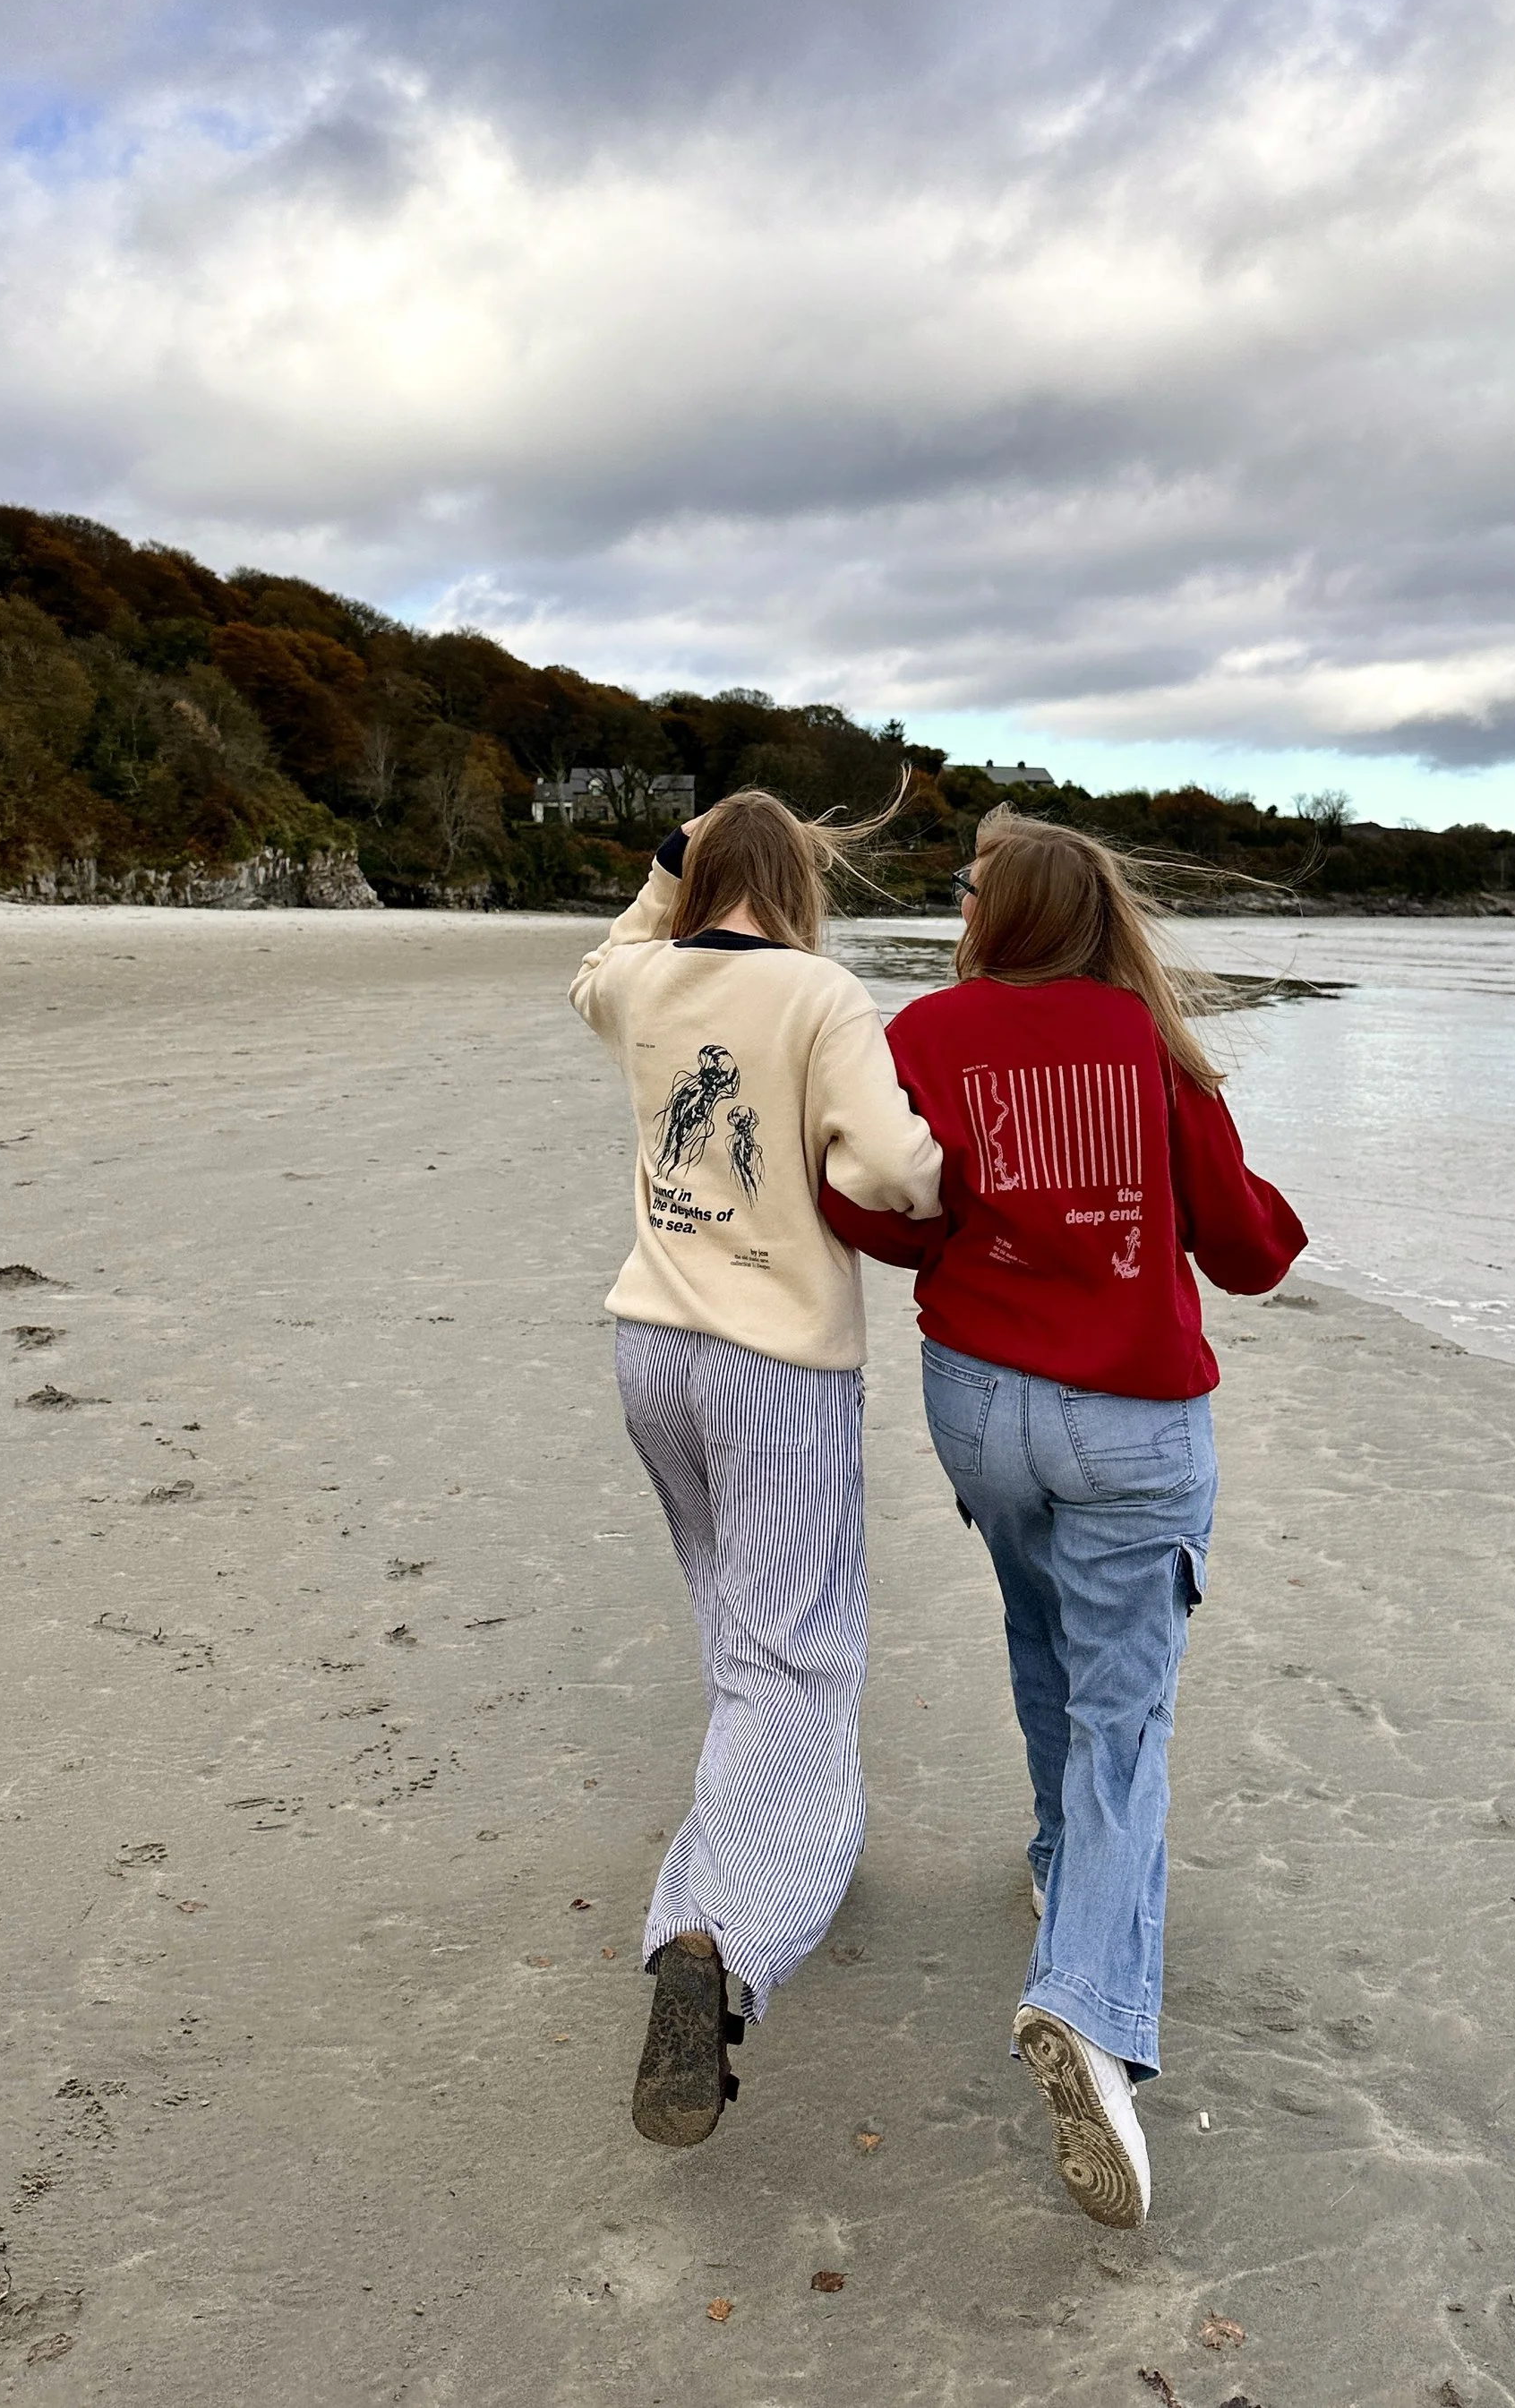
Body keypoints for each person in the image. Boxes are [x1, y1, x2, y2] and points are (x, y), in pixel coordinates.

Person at [823, 812, 1305, 2229]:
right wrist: (1266, 1209)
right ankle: (1089, 2008)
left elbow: (896, 1220)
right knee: (1127, 1706)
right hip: (1128, 1418)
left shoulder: (927, 1033)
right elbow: (1248, 1250)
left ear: (995, 912)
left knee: (1043, 1635)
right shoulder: (1147, 1041)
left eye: (968, 886)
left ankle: (1056, 1873)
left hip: (978, 1405)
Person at [571, 786, 944, 2147]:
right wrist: (954, 1182)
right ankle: (714, 1939)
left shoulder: (643, 979)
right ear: (794, 878)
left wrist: (664, 876)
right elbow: (895, 1166)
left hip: (651, 1345)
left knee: (738, 1623)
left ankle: (780, 1852)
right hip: (774, 1362)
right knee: (791, 1651)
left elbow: (595, 967)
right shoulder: (819, 994)